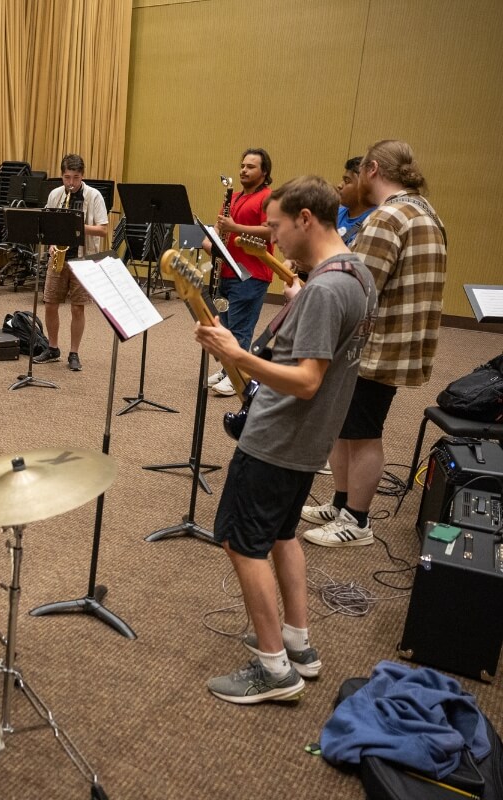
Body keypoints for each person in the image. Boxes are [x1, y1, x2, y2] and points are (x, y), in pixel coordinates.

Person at [195, 176, 375, 704]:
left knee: (239, 541)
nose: (270, 238)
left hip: (278, 439)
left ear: (305, 219)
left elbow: (307, 380)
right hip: (308, 442)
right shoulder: (354, 273)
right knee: (282, 533)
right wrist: (299, 301)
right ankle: (297, 641)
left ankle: (274, 670)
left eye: (275, 226)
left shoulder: (325, 289)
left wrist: (237, 352)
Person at [302, 140, 446, 547]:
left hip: (376, 343)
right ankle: (342, 503)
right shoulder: (423, 210)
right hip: (396, 341)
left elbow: (358, 287)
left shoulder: (388, 216)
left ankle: (357, 521)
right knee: (348, 427)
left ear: (373, 170)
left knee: (363, 432)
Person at [203, 148, 275, 396]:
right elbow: (220, 228)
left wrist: (235, 226)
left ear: (264, 172)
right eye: (243, 165)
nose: (244, 170)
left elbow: (271, 231)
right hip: (227, 271)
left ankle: (239, 377)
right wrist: (210, 240)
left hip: (252, 273)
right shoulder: (232, 197)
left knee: (241, 328)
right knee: (225, 325)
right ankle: (227, 369)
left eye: (251, 166)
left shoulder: (268, 198)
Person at [31, 153, 109, 371]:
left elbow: (103, 230)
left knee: (77, 309)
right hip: (59, 256)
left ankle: (74, 353)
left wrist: (74, 225)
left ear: (82, 175)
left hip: (83, 260)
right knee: (50, 305)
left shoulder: (93, 196)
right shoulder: (56, 194)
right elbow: (46, 227)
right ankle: (53, 348)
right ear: (61, 175)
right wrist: (51, 245)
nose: (71, 183)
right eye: (67, 177)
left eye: (75, 178)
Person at [335, 156, 376, 250]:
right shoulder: (335, 213)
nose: (340, 185)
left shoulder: (373, 221)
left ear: (364, 185)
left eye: (347, 181)